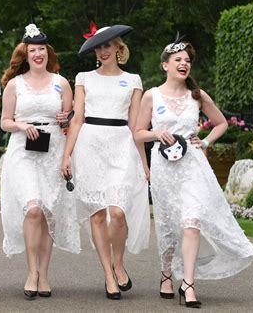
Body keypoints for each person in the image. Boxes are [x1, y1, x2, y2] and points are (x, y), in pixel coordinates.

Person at [134, 34, 253, 308]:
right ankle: (166, 273)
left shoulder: (197, 95)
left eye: (187, 60)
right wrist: (156, 132)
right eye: (178, 59)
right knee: (168, 224)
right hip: (164, 167)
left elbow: (221, 123)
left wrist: (204, 141)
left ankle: (188, 284)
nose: (184, 64)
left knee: (191, 222)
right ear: (165, 65)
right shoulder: (151, 95)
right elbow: (138, 133)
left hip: (192, 165)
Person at [60, 22, 150, 300]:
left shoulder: (133, 80)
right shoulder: (84, 78)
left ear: (118, 47)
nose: (103, 51)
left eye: (108, 45)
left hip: (121, 145)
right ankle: (108, 275)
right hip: (90, 145)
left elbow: (136, 126)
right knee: (97, 213)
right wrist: (67, 155)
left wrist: (145, 164)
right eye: (99, 47)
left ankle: (119, 263)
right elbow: (77, 118)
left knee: (119, 211)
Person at [0, 22, 80, 300]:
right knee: (32, 208)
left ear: (48, 53)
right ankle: (31, 271)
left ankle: (44, 275)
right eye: (33, 50)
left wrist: (66, 118)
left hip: (53, 150)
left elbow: (71, 121)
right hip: (23, 150)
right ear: (26, 54)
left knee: (47, 213)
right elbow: (4, 121)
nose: (38, 54)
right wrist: (21, 126)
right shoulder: (14, 84)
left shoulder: (61, 83)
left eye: (42, 49)